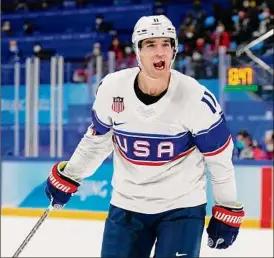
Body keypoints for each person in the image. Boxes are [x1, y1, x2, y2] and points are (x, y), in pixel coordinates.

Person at [45, 15, 245, 257]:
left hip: (182, 209)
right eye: (150, 44)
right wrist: (71, 174)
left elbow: (219, 160)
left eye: (166, 44)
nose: (159, 52)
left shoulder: (197, 99)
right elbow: (98, 141)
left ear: (174, 50)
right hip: (127, 206)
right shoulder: (112, 89)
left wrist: (226, 207)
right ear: (138, 51)